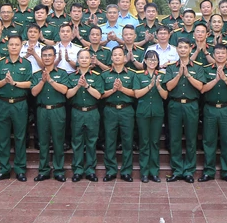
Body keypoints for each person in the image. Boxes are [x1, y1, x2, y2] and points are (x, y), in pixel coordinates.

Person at [0, 35, 33, 182]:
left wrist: (14, 83)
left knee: (20, 137)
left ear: (21, 46)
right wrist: (4, 81)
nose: (14, 47)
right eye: (11, 44)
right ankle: (4, 169)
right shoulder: (0, 64)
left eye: (16, 45)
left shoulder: (26, 64)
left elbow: (29, 84)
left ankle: (20, 170)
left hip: (20, 104)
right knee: (3, 138)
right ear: (7, 46)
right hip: (3, 104)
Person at [198, 44, 227, 183]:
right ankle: (208, 171)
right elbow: (202, 89)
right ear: (213, 55)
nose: (220, 55)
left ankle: (226, 171)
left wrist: (225, 78)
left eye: (223, 53)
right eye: (217, 53)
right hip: (210, 109)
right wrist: (216, 79)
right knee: (209, 141)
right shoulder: (206, 70)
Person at [161, 38, 204, 183]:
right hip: (175, 105)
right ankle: (177, 169)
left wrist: (188, 75)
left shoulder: (197, 67)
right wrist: (179, 74)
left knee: (191, 139)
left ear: (190, 49)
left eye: (186, 47)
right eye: (180, 47)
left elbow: (200, 87)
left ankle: (189, 171)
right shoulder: (172, 67)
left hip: (191, 105)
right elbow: (168, 87)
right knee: (175, 139)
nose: (183, 50)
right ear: (177, 49)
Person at [31, 46, 72, 182]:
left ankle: (59, 170)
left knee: (58, 141)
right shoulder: (37, 75)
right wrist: (43, 81)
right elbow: (34, 92)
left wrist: (50, 80)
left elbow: (65, 90)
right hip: (42, 110)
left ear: (55, 57)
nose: (47, 58)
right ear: (41, 58)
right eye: (44, 55)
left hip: (57, 110)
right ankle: (43, 170)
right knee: (43, 142)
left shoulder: (62, 73)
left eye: (50, 55)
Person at [66, 49, 103, 182]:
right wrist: (77, 86)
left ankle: (90, 170)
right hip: (77, 112)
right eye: (81, 58)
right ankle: (78, 170)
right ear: (77, 60)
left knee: (92, 142)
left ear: (90, 60)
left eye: (86, 58)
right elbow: (68, 95)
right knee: (77, 142)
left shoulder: (96, 76)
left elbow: (99, 95)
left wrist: (86, 86)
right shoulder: (71, 77)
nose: (84, 60)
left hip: (92, 112)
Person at [101, 46, 136, 181]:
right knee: (110, 141)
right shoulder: (105, 75)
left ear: (125, 58)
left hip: (127, 110)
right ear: (111, 58)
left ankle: (126, 171)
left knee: (127, 141)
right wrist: (113, 90)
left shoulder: (132, 74)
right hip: (110, 110)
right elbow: (101, 95)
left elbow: (135, 93)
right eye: (114, 55)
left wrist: (122, 89)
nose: (117, 57)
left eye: (119, 55)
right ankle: (110, 170)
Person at [133, 50, 167, 183]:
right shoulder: (139, 75)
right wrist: (150, 86)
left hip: (157, 113)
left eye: (155, 60)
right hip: (143, 113)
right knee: (144, 142)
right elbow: (136, 94)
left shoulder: (162, 75)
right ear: (145, 61)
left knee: (155, 142)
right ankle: (144, 172)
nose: (152, 62)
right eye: (150, 59)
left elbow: (165, 96)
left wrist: (157, 86)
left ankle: (154, 172)